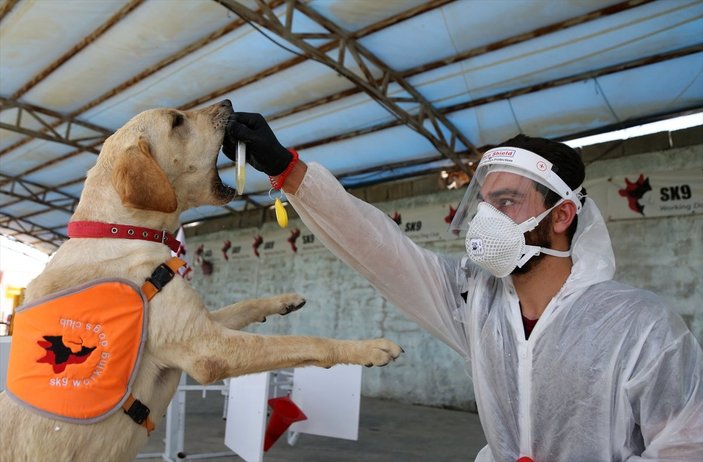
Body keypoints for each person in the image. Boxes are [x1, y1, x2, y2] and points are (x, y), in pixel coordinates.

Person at [223, 113, 703, 461]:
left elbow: (687, 444)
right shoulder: (478, 302)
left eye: (508, 202)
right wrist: (290, 172)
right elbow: (380, 250)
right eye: (486, 202)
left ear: (561, 215)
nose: (487, 218)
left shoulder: (640, 326)